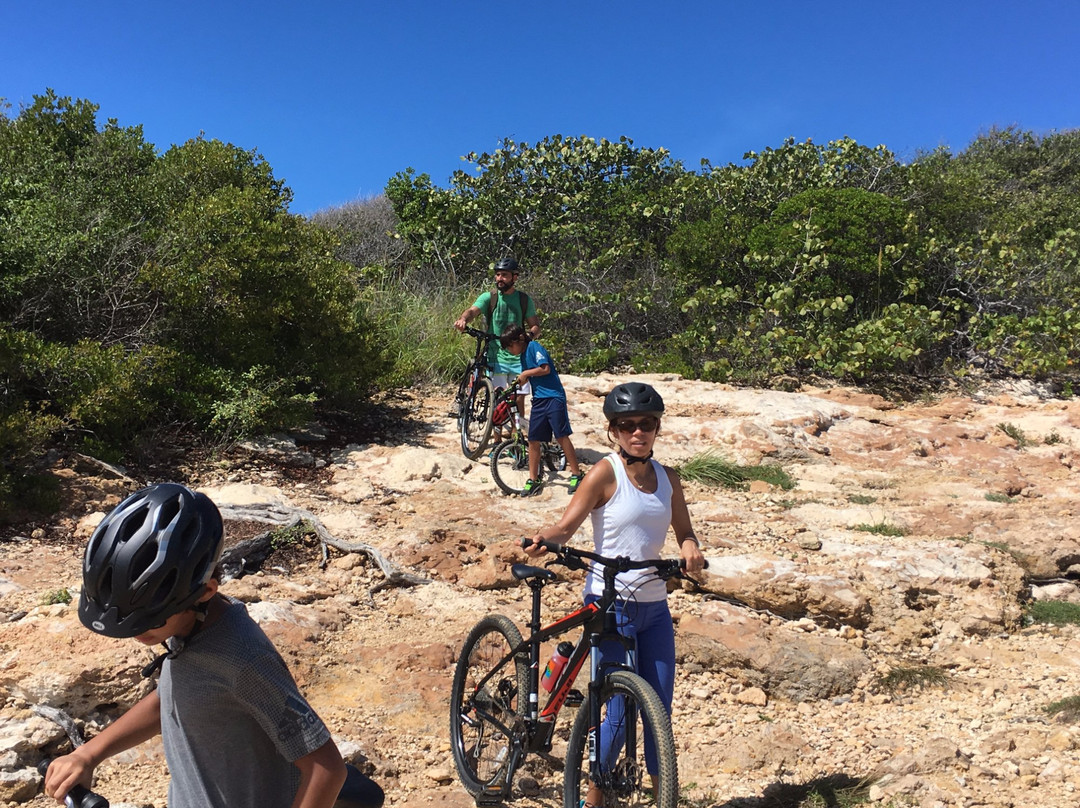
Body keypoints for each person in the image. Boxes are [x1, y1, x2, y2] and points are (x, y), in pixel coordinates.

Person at [42, 482, 384, 808]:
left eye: (150, 619)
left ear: (206, 591)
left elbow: (326, 767)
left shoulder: (243, 660)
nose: (138, 631)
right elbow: (173, 697)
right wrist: (89, 754)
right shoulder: (188, 628)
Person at [522, 382, 705, 808]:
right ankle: (592, 800)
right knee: (619, 713)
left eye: (646, 424)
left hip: (654, 605)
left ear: (657, 428)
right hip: (610, 603)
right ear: (613, 431)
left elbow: (685, 531)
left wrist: (690, 548)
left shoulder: (669, 479)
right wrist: (544, 538)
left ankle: (665, 800)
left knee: (659, 712)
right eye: (627, 426)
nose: (638, 433)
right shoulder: (605, 473)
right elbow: (566, 526)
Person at [454, 256, 540, 430]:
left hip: (518, 357)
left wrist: (529, 336)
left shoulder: (523, 300)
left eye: (504, 275)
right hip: (495, 355)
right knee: (496, 398)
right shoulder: (490, 297)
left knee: (519, 398)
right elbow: (472, 311)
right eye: (498, 275)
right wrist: (463, 320)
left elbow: (535, 326)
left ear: (515, 277)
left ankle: (515, 438)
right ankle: (496, 439)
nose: (499, 279)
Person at [499, 324, 584, 496]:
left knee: (561, 435)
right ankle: (534, 478)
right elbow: (528, 376)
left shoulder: (534, 347)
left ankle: (576, 473)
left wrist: (527, 374)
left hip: (553, 397)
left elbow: (545, 369)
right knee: (533, 439)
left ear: (519, 340)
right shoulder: (522, 355)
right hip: (538, 400)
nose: (509, 350)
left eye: (510, 346)